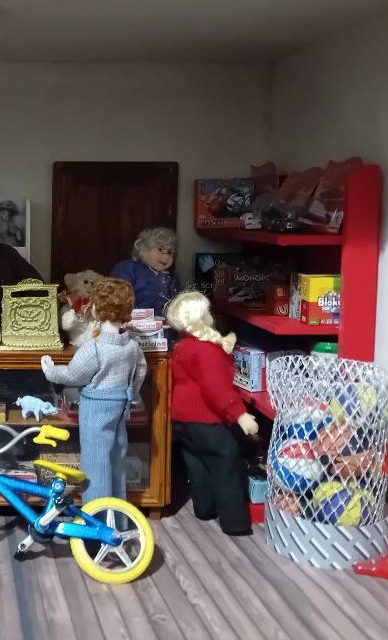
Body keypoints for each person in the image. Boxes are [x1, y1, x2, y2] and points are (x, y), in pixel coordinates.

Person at [40, 278, 147, 502]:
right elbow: (139, 373)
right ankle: (117, 517)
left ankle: (96, 522)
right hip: (121, 404)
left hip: (96, 408)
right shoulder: (131, 346)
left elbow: (73, 375)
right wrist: (129, 392)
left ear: (97, 309)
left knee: (96, 463)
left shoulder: (95, 347)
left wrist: (51, 371)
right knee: (117, 458)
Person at [165, 291, 259, 535]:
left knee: (197, 463)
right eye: (206, 312)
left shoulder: (183, 346)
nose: (210, 316)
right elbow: (215, 388)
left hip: (182, 419)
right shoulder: (205, 350)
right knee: (227, 462)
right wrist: (239, 414)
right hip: (204, 418)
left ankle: (204, 509)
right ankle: (235, 523)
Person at [110, 227, 181, 314]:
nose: (166, 257)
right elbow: (116, 297)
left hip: (165, 323)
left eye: (170, 252)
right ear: (143, 249)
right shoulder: (127, 268)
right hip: (133, 321)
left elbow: (179, 301)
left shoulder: (172, 276)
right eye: (160, 249)